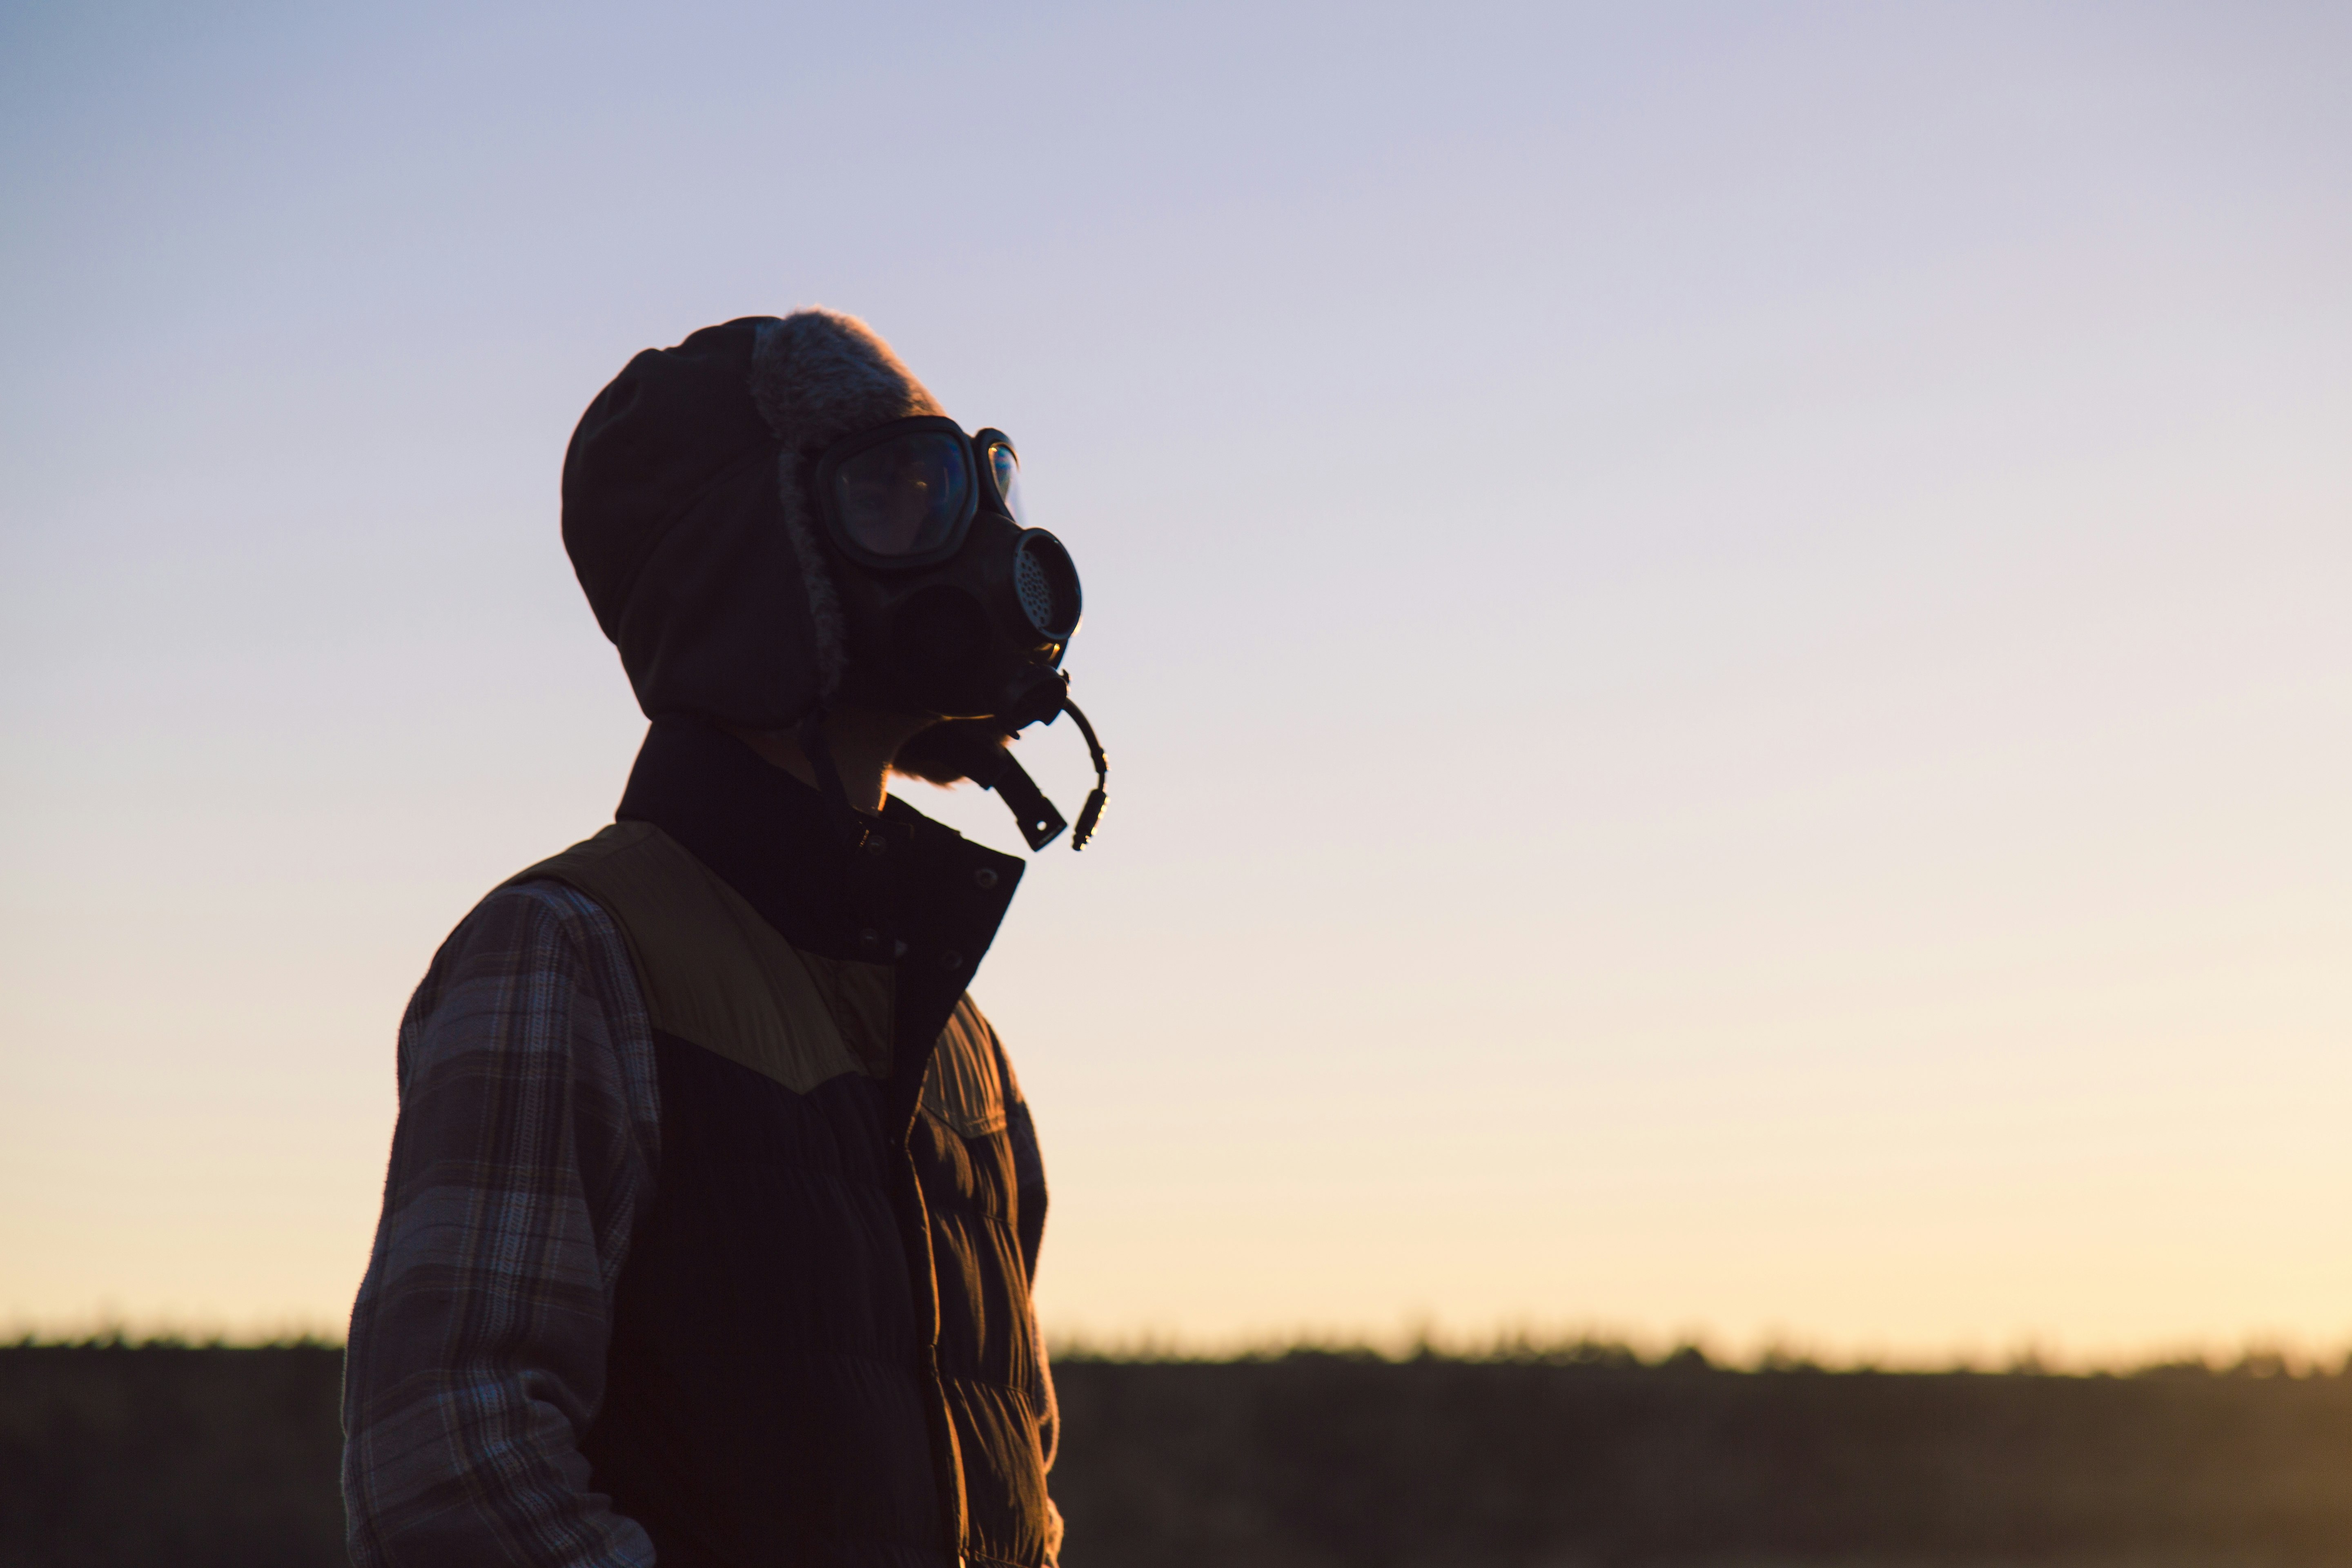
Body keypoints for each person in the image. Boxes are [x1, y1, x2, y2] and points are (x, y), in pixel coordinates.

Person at [341, 310, 1107, 1568]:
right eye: (900, 495)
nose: (982, 548)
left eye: (976, 488)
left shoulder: (962, 1040)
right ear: (758, 569)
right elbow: (451, 1479)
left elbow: (1014, 1479)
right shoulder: (568, 957)